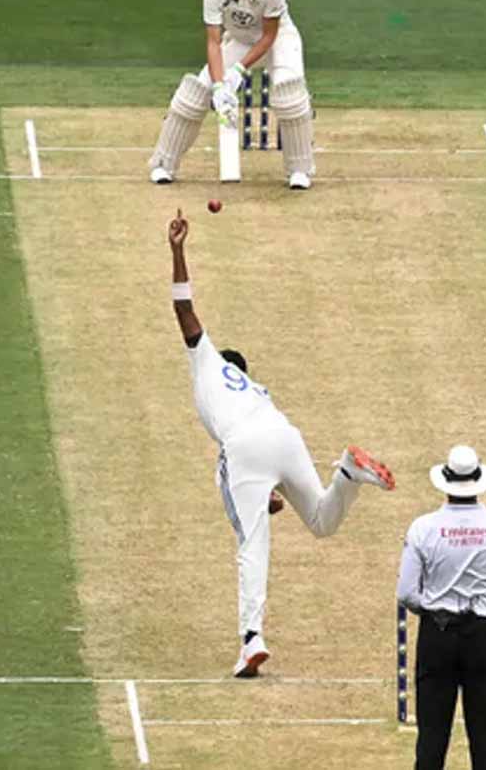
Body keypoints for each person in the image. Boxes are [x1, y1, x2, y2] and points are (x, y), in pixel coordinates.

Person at [168, 208, 396, 677]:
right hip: (283, 434)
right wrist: (266, 492)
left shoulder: (207, 360)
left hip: (246, 446)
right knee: (321, 521)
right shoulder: (253, 389)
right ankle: (348, 473)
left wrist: (177, 250)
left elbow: (184, 309)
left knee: (251, 544)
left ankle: (251, 640)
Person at [396, 445, 486, 770]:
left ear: (445, 481)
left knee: (431, 739)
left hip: (437, 633)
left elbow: (406, 593)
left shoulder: (423, 527)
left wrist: (432, 611)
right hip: (484, 634)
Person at [150, 0, 316, 190]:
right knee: (195, 93)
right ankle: (163, 164)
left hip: (279, 39)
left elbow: (269, 36)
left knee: (289, 95)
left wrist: (239, 70)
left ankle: (299, 170)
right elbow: (213, 42)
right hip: (239, 39)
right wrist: (219, 85)